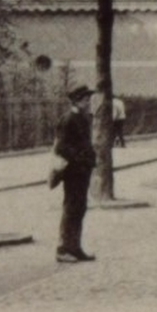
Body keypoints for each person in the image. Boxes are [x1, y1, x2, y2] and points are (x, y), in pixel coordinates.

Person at [48, 85, 98, 263]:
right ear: (77, 101)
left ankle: (75, 248)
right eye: (85, 99)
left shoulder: (82, 118)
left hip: (82, 171)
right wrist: (80, 159)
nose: (88, 102)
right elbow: (61, 147)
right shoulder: (68, 119)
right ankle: (63, 249)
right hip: (73, 172)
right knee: (71, 208)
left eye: (89, 99)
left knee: (79, 208)